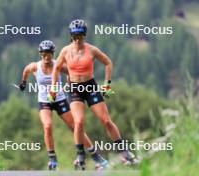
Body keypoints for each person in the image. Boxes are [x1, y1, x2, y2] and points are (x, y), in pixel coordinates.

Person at [48, 19, 137, 169]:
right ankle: (80, 156)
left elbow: (108, 62)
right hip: (75, 89)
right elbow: (56, 69)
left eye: (80, 36)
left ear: (84, 35)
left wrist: (107, 84)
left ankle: (125, 153)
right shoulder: (65, 51)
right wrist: (53, 88)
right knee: (79, 122)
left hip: (90, 87)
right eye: (74, 36)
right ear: (70, 36)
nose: (77, 39)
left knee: (106, 121)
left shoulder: (92, 50)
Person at [18, 40, 108, 170]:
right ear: (40, 54)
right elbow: (26, 70)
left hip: (60, 100)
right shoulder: (35, 67)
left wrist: (70, 83)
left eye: (48, 54)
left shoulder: (58, 65)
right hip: (44, 101)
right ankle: (52, 159)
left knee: (75, 127)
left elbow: (72, 73)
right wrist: (23, 83)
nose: (46, 57)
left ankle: (95, 156)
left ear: (53, 54)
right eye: (43, 54)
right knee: (47, 126)